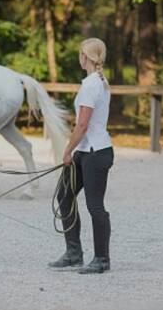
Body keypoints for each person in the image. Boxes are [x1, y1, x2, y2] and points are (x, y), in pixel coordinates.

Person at [48, 38, 114, 274]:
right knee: (65, 195)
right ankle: (74, 252)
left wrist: (67, 150)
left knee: (95, 206)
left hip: (95, 153)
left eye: (80, 53)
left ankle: (102, 259)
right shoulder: (99, 81)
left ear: (84, 57)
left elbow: (82, 125)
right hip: (87, 151)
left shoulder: (91, 85)